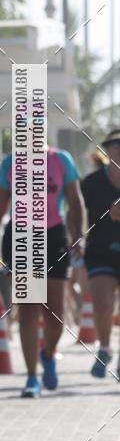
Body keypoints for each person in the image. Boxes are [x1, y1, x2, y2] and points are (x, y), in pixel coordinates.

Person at [0, 144, 83, 398]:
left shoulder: (61, 159)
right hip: (21, 237)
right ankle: (31, 377)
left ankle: (47, 355)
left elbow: (75, 201)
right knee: (29, 309)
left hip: (54, 235)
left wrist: (79, 235)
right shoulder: (10, 163)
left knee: (54, 314)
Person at [80, 130, 120, 378]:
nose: (119, 148)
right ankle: (104, 349)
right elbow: (74, 209)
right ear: (106, 150)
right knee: (103, 304)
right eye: (114, 144)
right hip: (100, 249)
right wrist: (73, 237)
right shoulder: (92, 182)